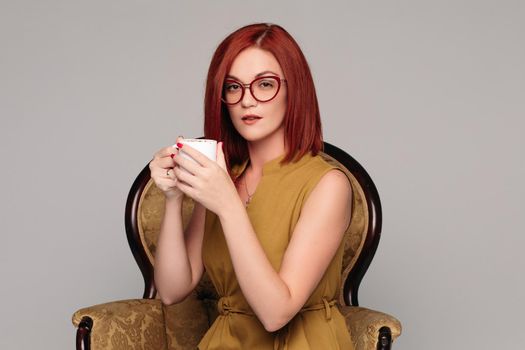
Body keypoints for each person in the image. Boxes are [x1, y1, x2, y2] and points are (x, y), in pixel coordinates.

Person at [149, 23, 354, 349]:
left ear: (294, 90)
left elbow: (276, 313)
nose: (247, 101)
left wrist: (228, 204)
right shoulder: (223, 175)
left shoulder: (329, 184)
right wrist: (173, 198)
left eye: (265, 84)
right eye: (233, 87)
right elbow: (173, 291)